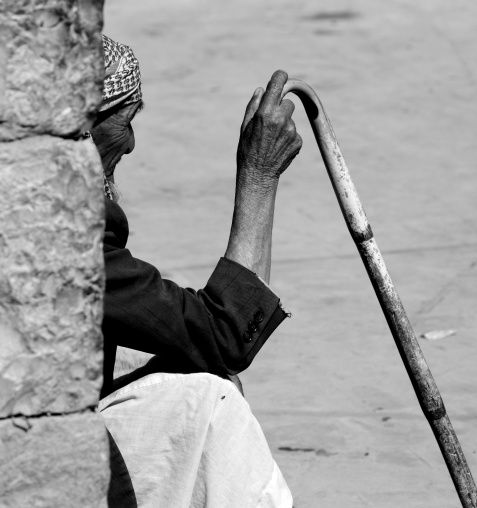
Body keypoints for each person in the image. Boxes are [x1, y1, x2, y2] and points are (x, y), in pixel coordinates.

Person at [92, 35, 302, 507]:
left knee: (193, 376)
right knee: (210, 403)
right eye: (125, 124)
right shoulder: (60, 225)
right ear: (80, 131)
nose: (131, 145)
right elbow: (225, 334)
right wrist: (259, 175)